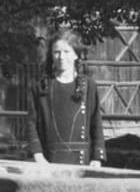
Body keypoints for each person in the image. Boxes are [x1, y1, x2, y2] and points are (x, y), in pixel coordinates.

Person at [27, 28, 106, 167]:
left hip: (82, 162)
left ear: (76, 54)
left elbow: (96, 122)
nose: (61, 57)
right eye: (56, 52)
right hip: (47, 161)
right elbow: (31, 124)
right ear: (51, 55)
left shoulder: (88, 85)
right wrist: (38, 156)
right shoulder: (40, 87)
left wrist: (97, 158)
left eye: (66, 52)